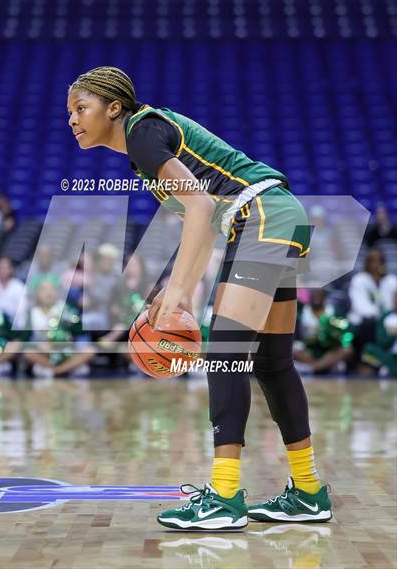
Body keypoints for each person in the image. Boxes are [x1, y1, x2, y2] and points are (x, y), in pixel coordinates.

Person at [67, 66, 332, 529]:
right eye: (69, 112)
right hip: (278, 215)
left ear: (113, 108)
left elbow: (203, 207)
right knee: (271, 363)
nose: (72, 119)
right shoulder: (145, 142)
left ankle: (225, 497)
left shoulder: (142, 133)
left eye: (80, 108)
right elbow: (203, 223)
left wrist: (179, 294)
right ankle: (308, 491)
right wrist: (168, 293)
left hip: (262, 216)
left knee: (227, 353)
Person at [294, 290, 354, 374]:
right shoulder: (301, 312)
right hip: (307, 350)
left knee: (347, 350)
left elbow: (345, 334)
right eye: (314, 294)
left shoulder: (334, 312)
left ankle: (314, 368)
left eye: (319, 295)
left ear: (325, 296)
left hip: (329, 351)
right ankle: (323, 367)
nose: (317, 298)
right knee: (293, 349)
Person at [0, 256, 27, 330]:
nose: (2, 270)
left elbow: (22, 311)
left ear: (11, 270)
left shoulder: (19, 286)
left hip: (12, 324)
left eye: (5, 268)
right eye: (0, 267)